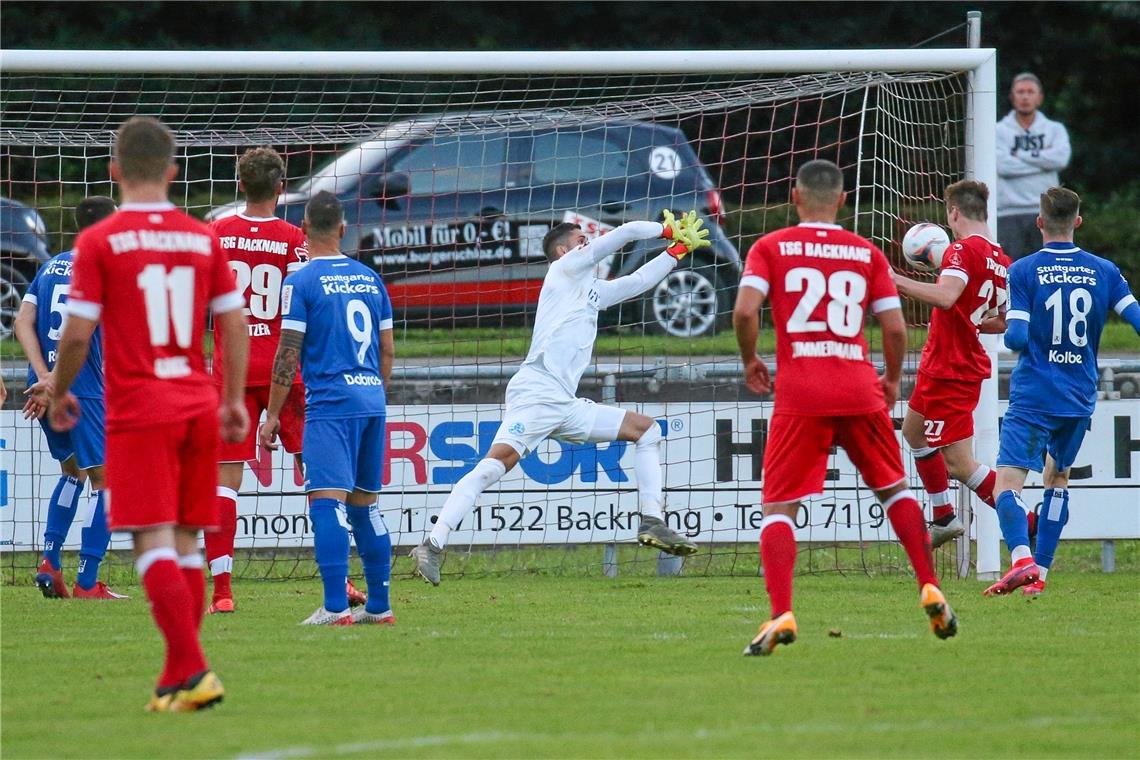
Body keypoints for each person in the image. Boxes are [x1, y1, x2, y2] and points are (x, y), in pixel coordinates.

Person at [47, 115, 250, 712]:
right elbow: (232, 325)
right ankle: (176, 680)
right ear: (172, 171)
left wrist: (59, 388)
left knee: (152, 541)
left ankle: (194, 671)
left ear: (113, 171)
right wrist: (233, 399)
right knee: (186, 542)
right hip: (197, 403)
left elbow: (78, 335)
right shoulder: (202, 236)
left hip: (140, 408)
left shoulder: (99, 241)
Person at [409, 210, 711, 585]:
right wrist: (665, 229)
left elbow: (638, 282)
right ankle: (433, 544)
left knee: (647, 431)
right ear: (564, 251)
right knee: (492, 467)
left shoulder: (591, 290)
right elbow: (628, 232)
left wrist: (676, 251)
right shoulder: (563, 271)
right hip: (537, 391)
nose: (588, 243)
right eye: (581, 239)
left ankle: (652, 520)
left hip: (564, 403)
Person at [733, 159, 956, 656]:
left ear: (795, 197)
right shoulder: (865, 252)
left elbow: (746, 310)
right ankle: (929, 585)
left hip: (801, 392)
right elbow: (895, 328)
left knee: (779, 506)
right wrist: (894, 377)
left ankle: (782, 612)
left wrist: (751, 359)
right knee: (893, 489)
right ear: (841, 199)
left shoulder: (771, 247)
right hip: (858, 385)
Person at [985, 187, 1140, 597]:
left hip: (1035, 393)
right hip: (1079, 394)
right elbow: (1137, 320)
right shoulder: (1104, 270)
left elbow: (1016, 337)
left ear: (1039, 223)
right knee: (1058, 479)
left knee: (1006, 486)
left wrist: (1003, 324)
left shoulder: (1023, 270)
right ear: (1077, 222)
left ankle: (1021, 559)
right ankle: (1041, 577)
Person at [259, 191, 395, 626]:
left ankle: (336, 607)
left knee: (325, 504)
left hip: (331, 405)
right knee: (365, 506)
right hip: (372, 399)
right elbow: (388, 351)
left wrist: (273, 414)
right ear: (342, 229)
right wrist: (373, 392)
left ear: (302, 230)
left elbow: (288, 351)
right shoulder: (372, 279)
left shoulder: (299, 282)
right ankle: (379, 606)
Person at [205, 146, 314, 614]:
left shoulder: (217, 233)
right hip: (282, 369)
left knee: (224, 482)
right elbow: (304, 305)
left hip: (230, 371)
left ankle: (223, 592)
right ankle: (342, 579)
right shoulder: (295, 238)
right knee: (317, 471)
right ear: (282, 187)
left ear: (240, 185)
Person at [891, 181, 1013, 549]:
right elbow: (1002, 319)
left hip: (952, 369)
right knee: (913, 433)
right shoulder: (1002, 260)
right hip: (942, 364)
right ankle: (943, 516)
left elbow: (946, 297)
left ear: (954, 213)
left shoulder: (962, 250)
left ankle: (1027, 522)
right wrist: (969, 318)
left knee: (960, 464)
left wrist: (893, 278)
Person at [15, 196, 126, 600]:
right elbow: (85, 337)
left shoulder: (50, 265)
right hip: (82, 391)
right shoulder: (106, 272)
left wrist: (43, 378)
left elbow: (22, 322)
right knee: (110, 482)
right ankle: (87, 580)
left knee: (71, 473)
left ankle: (50, 561)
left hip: (40, 388)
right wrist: (57, 382)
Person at [996, 73, 1071, 261]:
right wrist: (1043, 162)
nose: (1025, 97)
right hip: (1007, 214)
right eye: (1020, 92)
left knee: (1046, 269)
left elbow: (1060, 159)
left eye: (1030, 92)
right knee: (1010, 271)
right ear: (1012, 97)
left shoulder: (1055, 129)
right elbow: (1003, 166)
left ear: (1039, 98)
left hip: (1045, 212)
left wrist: (1020, 156)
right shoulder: (998, 131)